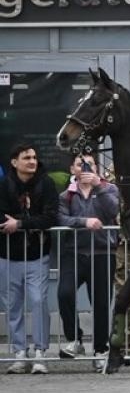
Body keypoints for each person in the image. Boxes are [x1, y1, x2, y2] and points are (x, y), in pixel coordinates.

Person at [55, 155, 120, 363]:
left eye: (89, 164)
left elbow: (113, 210)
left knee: (101, 303)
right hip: (74, 252)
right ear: (72, 169)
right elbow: (61, 218)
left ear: (96, 167)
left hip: (102, 252)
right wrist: (84, 221)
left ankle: (101, 349)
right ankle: (75, 339)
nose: (84, 168)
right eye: (79, 164)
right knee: (65, 293)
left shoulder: (109, 188)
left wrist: (98, 187)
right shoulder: (67, 195)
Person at [3, 144, 59, 373]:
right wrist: (21, 222)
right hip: (7, 255)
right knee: (13, 305)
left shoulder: (46, 184)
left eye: (34, 157)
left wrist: (21, 224)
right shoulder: (4, 185)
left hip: (37, 254)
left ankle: (40, 351)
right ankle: (19, 352)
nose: (32, 161)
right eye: (27, 158)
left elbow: (49, 217)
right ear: (15, 162)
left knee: (38, 301)